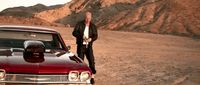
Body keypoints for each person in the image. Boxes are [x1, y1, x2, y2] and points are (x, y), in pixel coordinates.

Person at [72, 11, 98, 84]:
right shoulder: (79, 24)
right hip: (81, 46)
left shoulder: (93, 26)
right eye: (86, 18)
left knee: (92, 61)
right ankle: (80, 77)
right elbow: (74, 33)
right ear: (85, 17)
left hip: (89, 46)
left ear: (91, 18)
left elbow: (95, 35)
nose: (87, 20)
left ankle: (92, 77)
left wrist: (91, 39)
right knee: (80, 62)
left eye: (89, 18)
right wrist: (81, 36)